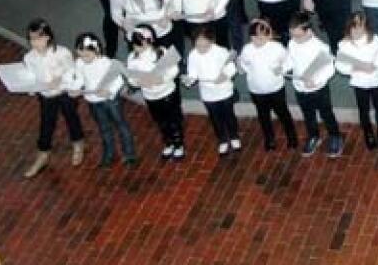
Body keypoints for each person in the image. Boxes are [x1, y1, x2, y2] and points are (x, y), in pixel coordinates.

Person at [21, 19, 86, 178]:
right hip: (46, 95)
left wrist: (60, 79)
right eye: (32, 39)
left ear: (48, 37)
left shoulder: (62, 52)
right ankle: (43, 155)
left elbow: (73, 72)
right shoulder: (29, 58)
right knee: (46, 124)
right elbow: (31, 78)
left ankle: (78, 143)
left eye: (38, 38)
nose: (35, 43)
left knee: (71, 118)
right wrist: (31, 87)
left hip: (64, 93)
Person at [65, 32, 137, 168]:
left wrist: (109, 91)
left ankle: (129, 154)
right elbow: (80, 78)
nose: (83, 58)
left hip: (110, 100)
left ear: (96, 49)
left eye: (87, 55)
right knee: (103, 128)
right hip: (93, 100)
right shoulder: (80, 63)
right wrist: (74, 88)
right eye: (81, 54)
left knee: (120, 124)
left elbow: (118, 80)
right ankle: (109, 153)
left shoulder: (106, 63)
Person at [288, 11, 343, 157]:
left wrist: (316, 81)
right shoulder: (292, 43)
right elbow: (290, 60)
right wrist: (283, 67)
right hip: (300, 88)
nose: (295, 39)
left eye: (298, 36)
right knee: (308, 115)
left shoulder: (320, 47)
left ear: (309, 32)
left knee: (326, 114)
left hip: (318, 89)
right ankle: (313, 136)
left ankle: (335, 136)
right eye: (292, 35)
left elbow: (330, 69)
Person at [237, 19, 298, 151]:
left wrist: (281, 69)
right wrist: (244, 68)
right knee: (263, 116)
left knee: (283, 114)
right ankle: (269, 139)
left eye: (261, 37)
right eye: (254, 37)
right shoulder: (247, 49)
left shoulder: (277, 48)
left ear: (269, 35)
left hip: (275, 89)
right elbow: (243, 64)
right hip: (257, 90)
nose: (257, 40)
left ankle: (292, 137)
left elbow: (289, 62)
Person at [126, 24, 184, 162]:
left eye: (139, 44)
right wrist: (138, 83)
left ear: (148, 41)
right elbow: (131, 77)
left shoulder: (161, 52)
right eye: (135, 44)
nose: (137, 48)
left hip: (167, 93)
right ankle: (169, 143)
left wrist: (161, 79)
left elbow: (174, 70)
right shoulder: (132, 58)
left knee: (173, 120)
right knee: (161, 121)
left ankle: (179, 144)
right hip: (150, 96)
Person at [183, 24, 240, 156]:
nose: (201, 49)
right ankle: (222, 139)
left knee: (229, 115)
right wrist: (189, 80)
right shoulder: (193, 55)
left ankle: (234, 136)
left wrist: (224, 76)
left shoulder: (221, 51)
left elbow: (231, 67)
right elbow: (193, 74)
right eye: (198, 46)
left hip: (224, 91)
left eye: (205, 45)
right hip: (208, 94)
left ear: (212, 41)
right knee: (215, 118)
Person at [336, 12, 378, 149]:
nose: (356, 31)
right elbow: (340, 65)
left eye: (360, 27)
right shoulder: (344, 45)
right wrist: (356, 67)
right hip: (359, 83)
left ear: (367, 28)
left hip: (375, 80)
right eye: (353, 27)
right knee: (363, 110)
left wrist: (375, 65)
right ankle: (368, 133)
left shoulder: (375, 40)